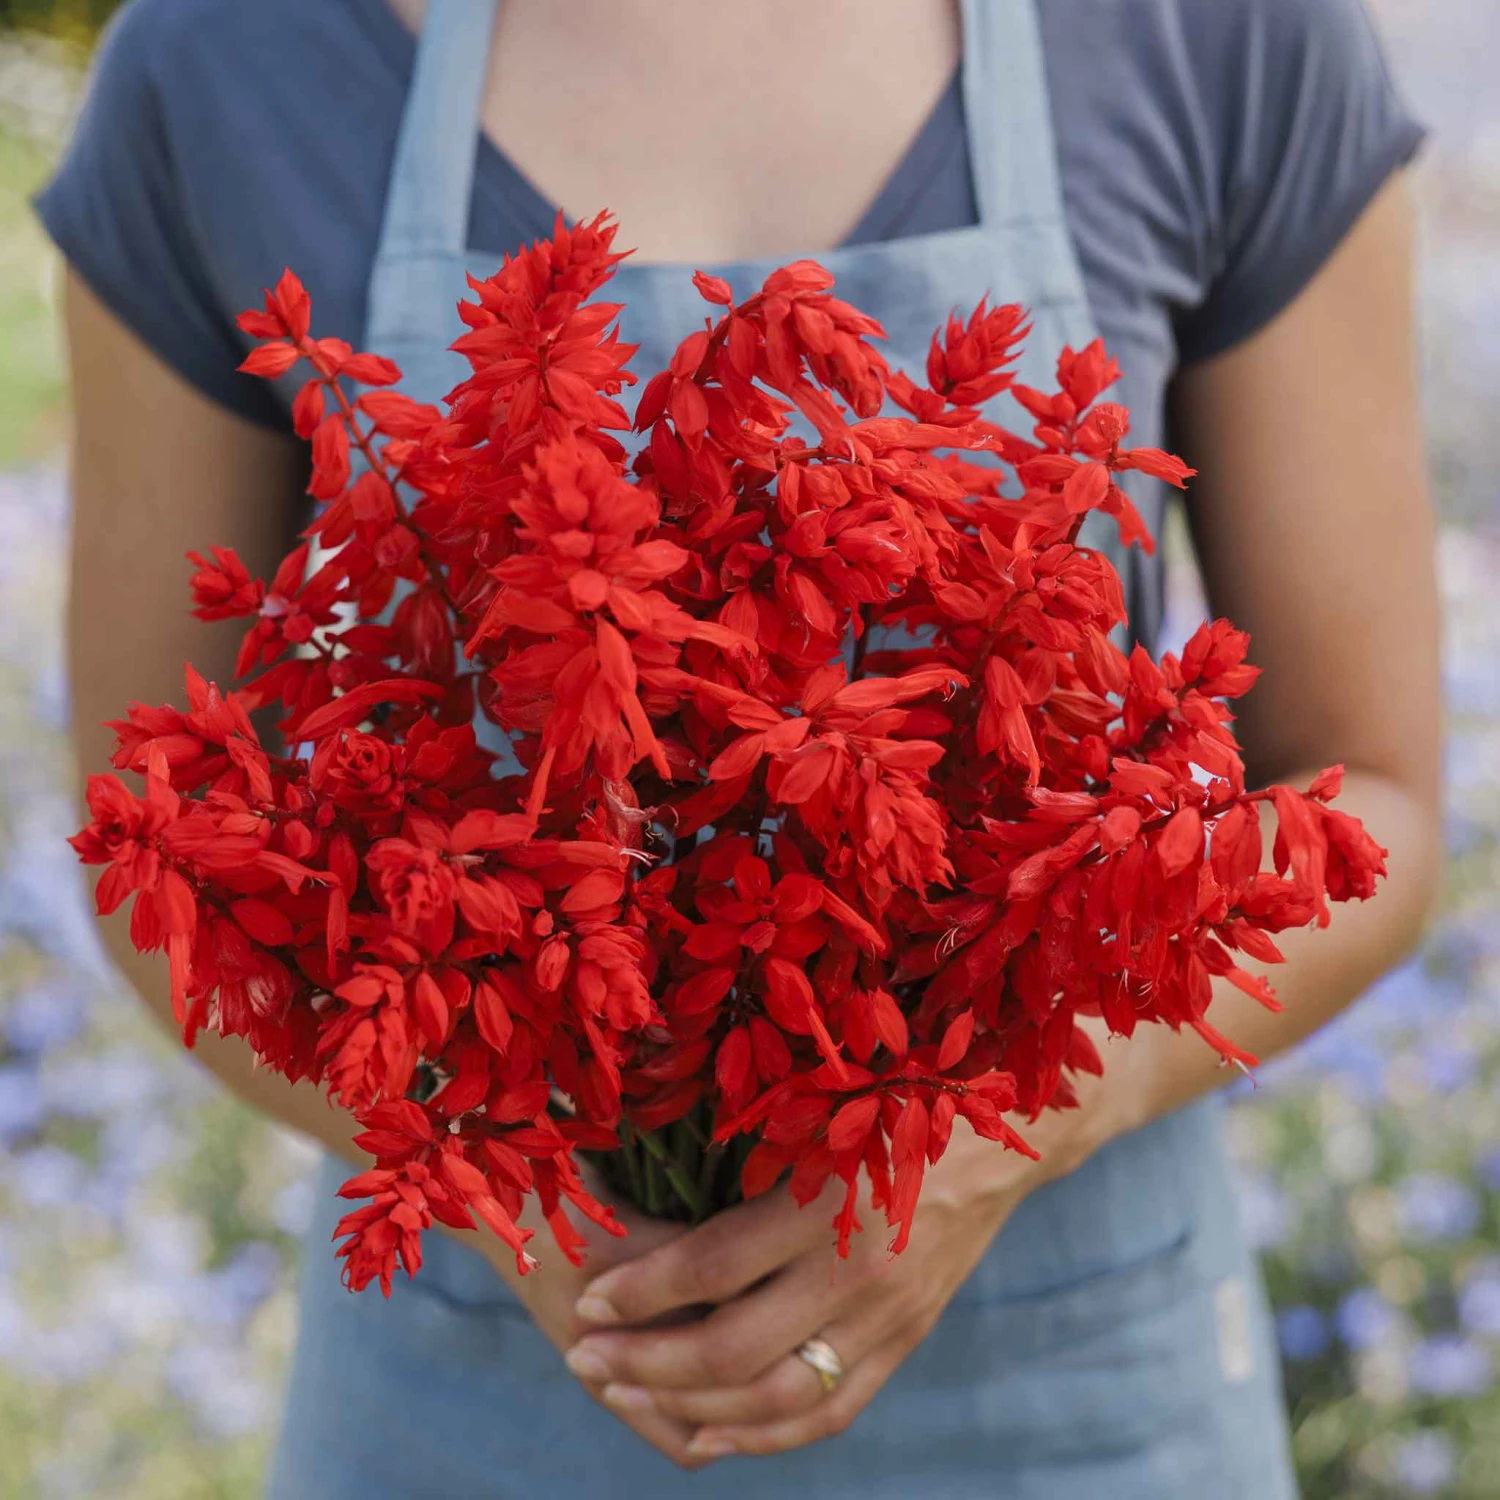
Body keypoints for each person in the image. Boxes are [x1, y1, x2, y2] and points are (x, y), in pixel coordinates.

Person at [39, 0, 1441, 1493]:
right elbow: (155, 841)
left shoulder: (1211, 32)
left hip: (1075, 1394)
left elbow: (1375, 801)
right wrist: (488, 1171)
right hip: (483, 1405)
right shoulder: (230, 59)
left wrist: (1012, 1118)